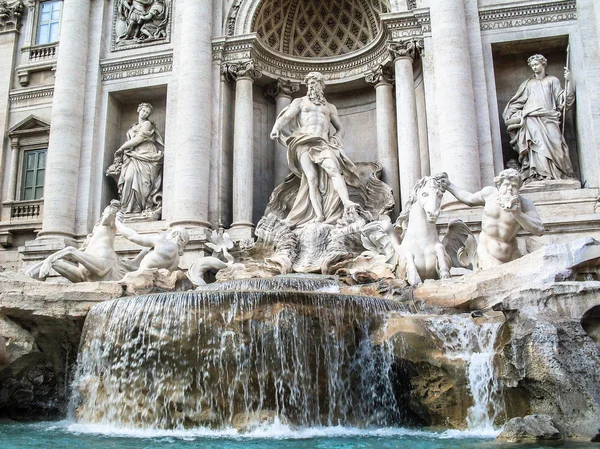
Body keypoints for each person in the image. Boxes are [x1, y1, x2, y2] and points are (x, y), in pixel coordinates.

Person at [269, 72, 360, 228]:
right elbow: (286, 117)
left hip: (323, 143)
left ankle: (346, 202)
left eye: (315, 82)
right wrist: (276, 128)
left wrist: (336, 138)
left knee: (333, 169)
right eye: (309, 83)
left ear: (321, 86)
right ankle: (319, 215)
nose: (311, 85)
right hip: (303, 142)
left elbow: (340, 128)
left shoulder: (329, 108)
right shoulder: (300, 102)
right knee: (311, 179)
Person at [440, 169, 544, 271]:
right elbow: (469, 199)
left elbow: (539, 229)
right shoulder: (489, 194)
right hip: (487, 253)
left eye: (514, 186)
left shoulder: (525, 204)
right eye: (506, 185)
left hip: (512, 254)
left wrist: (518, 214)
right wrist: (449, 185)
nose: (509, 189)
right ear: (499, 185)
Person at [503, 54, 575, 181]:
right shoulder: (528, 84)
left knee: (556, 144)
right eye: (532, 66)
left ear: (543, 64)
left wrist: (569, 82)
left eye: (536, 64)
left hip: (549, 118)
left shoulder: (553, 80)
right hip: (531, 118)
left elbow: (563, 101)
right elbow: (517, 102)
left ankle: (559, 174)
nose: (534, 67)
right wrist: (510, 114)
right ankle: (541, 175)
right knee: (537, 147)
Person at [110, 103, 164, 215]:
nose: (145, 114)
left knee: (144, 184)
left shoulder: (147, 124)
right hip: (133, 155)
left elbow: (139, 139)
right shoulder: (132, 127)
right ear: (139, 110)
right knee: (128, 178)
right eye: (144, 111)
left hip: (146, 153)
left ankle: (139, 208)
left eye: (147, 113)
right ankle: (127, 209)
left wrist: (121, 148)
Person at [116, 215, 189, 273]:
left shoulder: (163, 242)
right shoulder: (176, 260)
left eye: (169, 232)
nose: (166, 234)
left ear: (174, 234)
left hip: (141, 278)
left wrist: (117, 223)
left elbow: (132, 236)